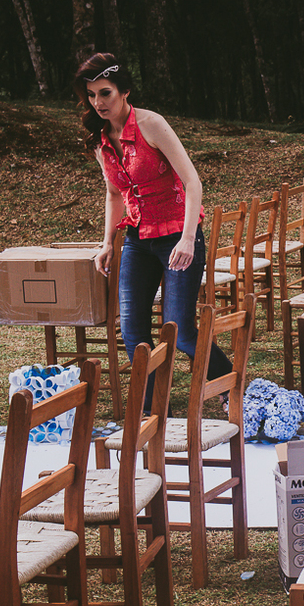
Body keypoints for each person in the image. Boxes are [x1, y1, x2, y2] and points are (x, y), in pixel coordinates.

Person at [73, 53, 232, 409]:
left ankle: (231, 389)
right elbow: (114, 194)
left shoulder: (151, 124)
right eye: (92, 95)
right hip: (137, 240)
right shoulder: (100, 140)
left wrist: (188, 238)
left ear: (124, 91)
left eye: (105, 93)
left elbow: (193, 182)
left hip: (178, 236)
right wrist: (106, 243)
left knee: (181, 331)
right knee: (132, 332)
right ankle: (151, 410)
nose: (98, 102)